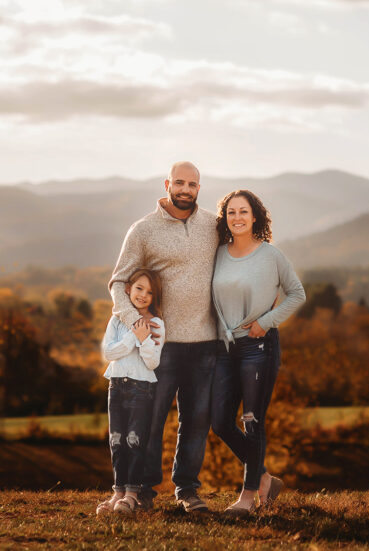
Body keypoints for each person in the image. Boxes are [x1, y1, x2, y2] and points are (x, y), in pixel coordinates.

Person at [108, 161, 220, 512]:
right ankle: (142, 491)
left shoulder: (212, 226)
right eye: (181, 183)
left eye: (193, 184)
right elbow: (118, 282)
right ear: (168, 184)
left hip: (205, 342)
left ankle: (187, 490)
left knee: (196, 421)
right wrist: (133, 322)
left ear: (199, 188)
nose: (186, 189)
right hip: (159, 345)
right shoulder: (143, 230)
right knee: (152, 421)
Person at [210, 189, 305, 516]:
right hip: (226, 348)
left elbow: (296, 293)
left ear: (255, 217)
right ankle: (265, 478)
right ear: (225, 218)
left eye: (243, 212)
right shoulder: (219, 254)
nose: (237, 218)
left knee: (252, 420)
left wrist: (266, 321)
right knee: (219, 420)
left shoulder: (271, 256)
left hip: (258, 347)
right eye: (231, 212)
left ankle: (248, 497)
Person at [96, 268, 165, 515]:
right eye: (139, 288)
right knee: (116, 440)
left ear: (155, 297)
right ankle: (117, 492)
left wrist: (144, 339)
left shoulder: (157, 323)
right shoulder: (116, 320)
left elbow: (152, 362)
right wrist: (134, 337)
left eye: (150, 292)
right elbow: (109, 353)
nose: (143, 295)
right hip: (116, 385)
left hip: (141, 388)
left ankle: (132, 494)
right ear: (128, 289)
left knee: (134, 440)